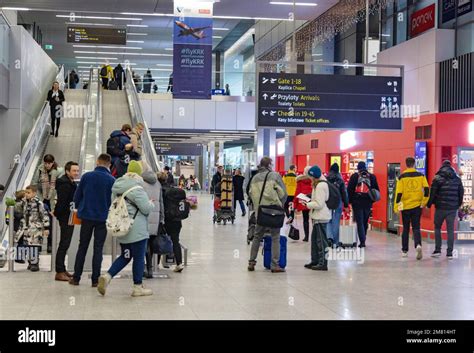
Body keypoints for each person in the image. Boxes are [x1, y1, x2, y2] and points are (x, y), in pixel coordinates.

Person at [97, 161, 154, 297]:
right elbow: (146, 209)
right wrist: (151, 204)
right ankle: (137, 287)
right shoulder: (138, 189)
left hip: (123, 228)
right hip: (137, 229)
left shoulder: (117, 187)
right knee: (139, 257)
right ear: (139, 173)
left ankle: (108, 276)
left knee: (125, 255)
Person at [70, 154, 115, 287]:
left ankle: (76, 278)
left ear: (97, 162)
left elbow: (77, 196)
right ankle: (95, 279)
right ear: (109, 164)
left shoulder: (86, 176)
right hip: (102, 218)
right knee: (98, 248)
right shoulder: (112, 180)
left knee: (82, 246)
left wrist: (77, 207)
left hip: (87, 217)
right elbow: (113, 201)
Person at [248, 157, 287, 273]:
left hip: (260, 212)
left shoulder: (254, 178)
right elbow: (283, 193)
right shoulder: (274, 176)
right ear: (269, 165)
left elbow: (250, 194)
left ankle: (251, 262)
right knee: (275, 237)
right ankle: (275, 265)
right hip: (273, 211)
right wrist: (280, 204)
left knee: (257, 236)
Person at [394, 157, 430, 260]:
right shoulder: (421, 176)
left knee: (405, 228)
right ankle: (418, 245)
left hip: (405, 207)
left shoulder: (401, 177)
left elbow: (399, 194)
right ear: (414, 164)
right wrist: (423, 202)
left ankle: (405, 251)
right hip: (417, 206)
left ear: (406, 164)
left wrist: (397, 208)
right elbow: (427, 190)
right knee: (416, 227)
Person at [427, 160, 464, 259]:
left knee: (437, 228)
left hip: (440, 208)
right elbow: (461, 193)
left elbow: (432, 193)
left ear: (442, 167)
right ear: (451, 167)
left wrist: (429, 204)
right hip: (452, 209)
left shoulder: (437, 178)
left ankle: (438, 250)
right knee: (450, 230)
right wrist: (458, 204)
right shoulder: (457, 179)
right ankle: (449, 253)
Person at [301, 165, 331, 271]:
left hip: (320, 217)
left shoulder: (320, 186)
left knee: (321, 241)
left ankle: (323, 263)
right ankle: (315, 260)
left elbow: (319, 204)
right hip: (317, 217)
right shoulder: (318, 185)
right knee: (314, 241)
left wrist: (307, 204)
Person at [53, 161, 80, 281]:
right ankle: (59, 271)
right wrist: (58, 214)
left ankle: (62, 269)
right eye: (74, 171)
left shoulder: (70, 182)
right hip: (66, 216)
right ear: (67, 171)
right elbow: (62, 202)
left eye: (77, 170)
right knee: (64, 244)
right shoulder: (65, 184)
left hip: (68, 216)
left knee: (65, 243)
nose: (76, 173)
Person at [15, 185, 50, 272]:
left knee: (34, 246)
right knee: (28, 245)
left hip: (35, 228)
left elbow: (44, 215)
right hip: (26, 228)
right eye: (26, 193)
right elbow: (17, 208)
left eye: (28, 193)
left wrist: (46, 227)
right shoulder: (24, 202)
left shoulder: (39, 203)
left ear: (34, 193)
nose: (26, 194)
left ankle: (35, 263)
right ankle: (31, 262)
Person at [347, 161, 380, 248]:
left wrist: (349, 202)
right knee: (365, 221)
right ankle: (363, 238)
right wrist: (372, 200)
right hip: (368, 202)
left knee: (360, 222)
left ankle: (362, 241)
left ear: (358, 168)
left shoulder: (355, 176)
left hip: (357, 202)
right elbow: (376, 190)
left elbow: (349, 189)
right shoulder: (372, 176)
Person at [158, 172, 186, 273]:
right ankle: (179, 263)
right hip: (176, 220)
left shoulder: (159, 190)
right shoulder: (174, 190)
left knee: (160, 240)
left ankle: (155, 263)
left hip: (165, 220)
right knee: (175, 242)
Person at [32, 154, 59, 253]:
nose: (47, 165)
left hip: (51, 200)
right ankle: (38, 244)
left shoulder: (57, 172)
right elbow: (34, 183)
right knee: (39, 223)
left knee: (51, 224)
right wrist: (40, 194)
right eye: (46, 163)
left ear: (53, 163)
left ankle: (50, 245)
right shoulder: (39, 170)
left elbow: (58, 186)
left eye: (49, 163)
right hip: (41, 199)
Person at [142, 169, 164, 278]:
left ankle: (145, 268)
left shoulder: (141, 183)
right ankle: (150, 269)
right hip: (156, 218)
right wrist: (162, 218)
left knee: (144, 244)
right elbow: (161, 202)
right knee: (150, 243)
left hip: (144, 217)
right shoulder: (158, 184)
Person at [326, 163, 349, 248]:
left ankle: (329, 238)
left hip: (328, 202)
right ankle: (335, 242)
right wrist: (346, 205)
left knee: (328, 220)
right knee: (336, 221)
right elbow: (344, 193)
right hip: (338, 203)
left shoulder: (326, 179)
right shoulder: (340, 180)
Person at [293, 166, 313, 242]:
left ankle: (306, 237)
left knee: (305, 219)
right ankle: (315, 236)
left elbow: (297, 192)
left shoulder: (300, 181)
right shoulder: (314, 180)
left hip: (304, 201)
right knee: (314, 220)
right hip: (313, 200)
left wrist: (295, 203)